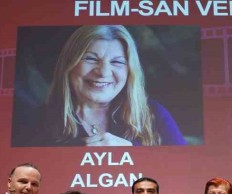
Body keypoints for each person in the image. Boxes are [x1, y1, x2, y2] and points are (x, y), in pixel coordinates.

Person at [41, 25, 187, 147]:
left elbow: (185, 168)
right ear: (69, 64)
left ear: (130, 71)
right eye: (91, 59)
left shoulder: (154, 114)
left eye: (117, 62)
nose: (103, 72)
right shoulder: (37, 120)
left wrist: (133, 154)